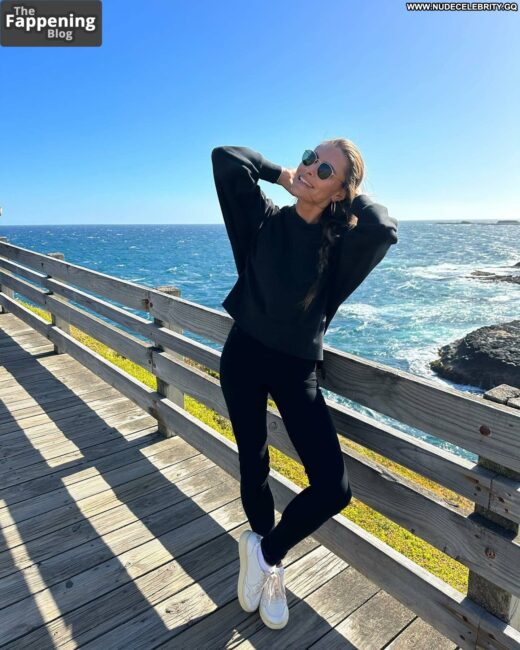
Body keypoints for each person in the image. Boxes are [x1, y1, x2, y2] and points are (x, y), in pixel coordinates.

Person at [211, 141, 398, 630]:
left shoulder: (340, 248)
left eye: (325, 169)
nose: (311, 168)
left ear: (340, 191)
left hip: (296, 369)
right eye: (311, 156)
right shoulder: (262, 220)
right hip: (243, 356)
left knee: (334, 488)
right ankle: (266, 563)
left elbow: (382, 227)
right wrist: (282, 175)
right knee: (253, 464)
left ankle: (266, 554)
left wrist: (347, 197)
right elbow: (226, 159)